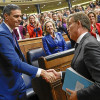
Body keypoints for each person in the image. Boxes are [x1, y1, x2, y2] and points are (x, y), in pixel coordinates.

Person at [0, 4, 56, 100]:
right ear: (6, 16)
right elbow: (15, 63)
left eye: (20, 16)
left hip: (19, 82)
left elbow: (20, 57)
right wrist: (41, 72)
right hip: (9, 87)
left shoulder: (10, 30)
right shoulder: (2, 33)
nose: (20, 19)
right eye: (16, 16)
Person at [47, 12, 100, 100]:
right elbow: (82, 71)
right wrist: (60, 74)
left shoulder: (89, 44)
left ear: (79, 23)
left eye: (70, 24)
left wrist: (79, 95)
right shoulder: (82, 43)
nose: (67, 28)